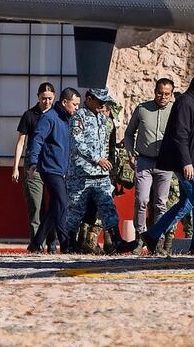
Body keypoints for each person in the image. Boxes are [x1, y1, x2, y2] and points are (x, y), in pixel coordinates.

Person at [143, 73, 194, 256]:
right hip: (189, 165)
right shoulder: (185, 103)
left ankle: (153, 235)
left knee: (186, 204)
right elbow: (180, 135)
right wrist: (186, 162)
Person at [66, 91, 134, 255]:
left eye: (105, 102)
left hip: (101, 174)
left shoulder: (102, 119)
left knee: (108, 207)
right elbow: (77, 143)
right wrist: (97, 159)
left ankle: (116, 241)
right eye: (99, 101)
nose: (103, 105)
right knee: (76, 210)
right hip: (81, 174)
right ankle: (69, 243)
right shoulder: (78, 117)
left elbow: (104, 144)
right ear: (89, 99)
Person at [26, 87, 80, 254]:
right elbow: (37, 139)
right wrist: (33, 161)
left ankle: (36, 243)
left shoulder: (66, 118)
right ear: (65, 102)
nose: (77, 108)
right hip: (50, 168)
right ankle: (65, 243)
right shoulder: (49, 117)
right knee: (62, 203)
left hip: (62, 169)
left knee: (56, 206)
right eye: (75, 104)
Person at [124, 78, 175, 250]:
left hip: (166, 163)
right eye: (160, 93)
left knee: (161, 203)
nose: (163, 97)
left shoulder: (175, 111)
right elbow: (129, 133)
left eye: (167, 94)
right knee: (142, 200)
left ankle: (157, 239)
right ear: (154, 92)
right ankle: (140, 237)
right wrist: (131, 154)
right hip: (144, 161)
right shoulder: (142, 109)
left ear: (171, 95)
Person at [11, 83, 57, 253]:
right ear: (38, 97)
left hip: (53, 164)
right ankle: (37, 243)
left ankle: (52, 242)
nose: (47, 102)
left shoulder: (57, 115)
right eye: (44, 98)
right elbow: (21, 142)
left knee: (54, 204)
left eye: (50, 99)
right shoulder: (29, 115)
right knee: (35, 206)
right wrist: (15, 167)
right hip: (33, 165)